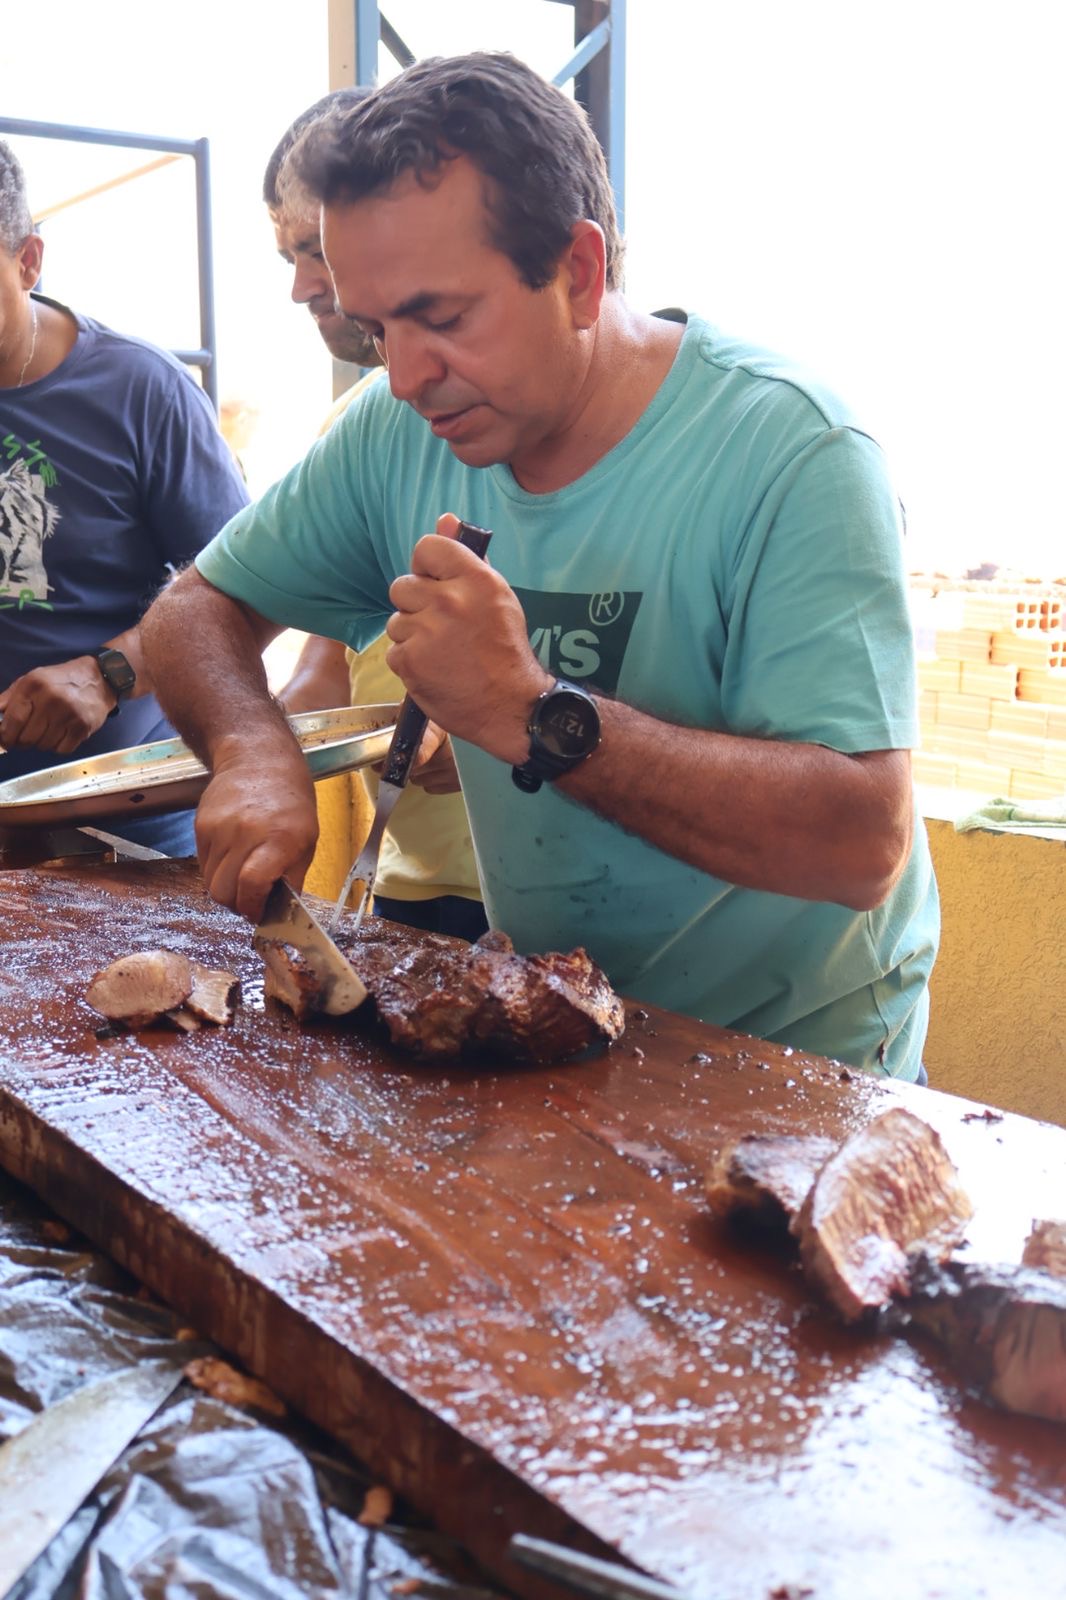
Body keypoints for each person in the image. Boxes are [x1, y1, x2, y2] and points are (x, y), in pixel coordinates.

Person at [140, 52, 939, 1080]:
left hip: (796, 1067)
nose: (406, 374)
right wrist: (252, 748)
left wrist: (532, 713)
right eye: (376, 327)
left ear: (577, 272)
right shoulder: (391, 430)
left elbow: (859, 840)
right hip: (549, 1030)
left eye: (441, 317)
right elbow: (195, 606)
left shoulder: (793, 450)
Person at [263, 90, 489, 940]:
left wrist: (514, 733)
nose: (300, 286)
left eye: (313, 249)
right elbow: (325, 661)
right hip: (417, 878)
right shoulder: (358, 428)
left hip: (574, 897)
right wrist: (264, 754)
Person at [0, 137, 249, 855]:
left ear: (29, 261)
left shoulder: (143, 393)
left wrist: (107, 673)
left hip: (125, 821)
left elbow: (245, 595)